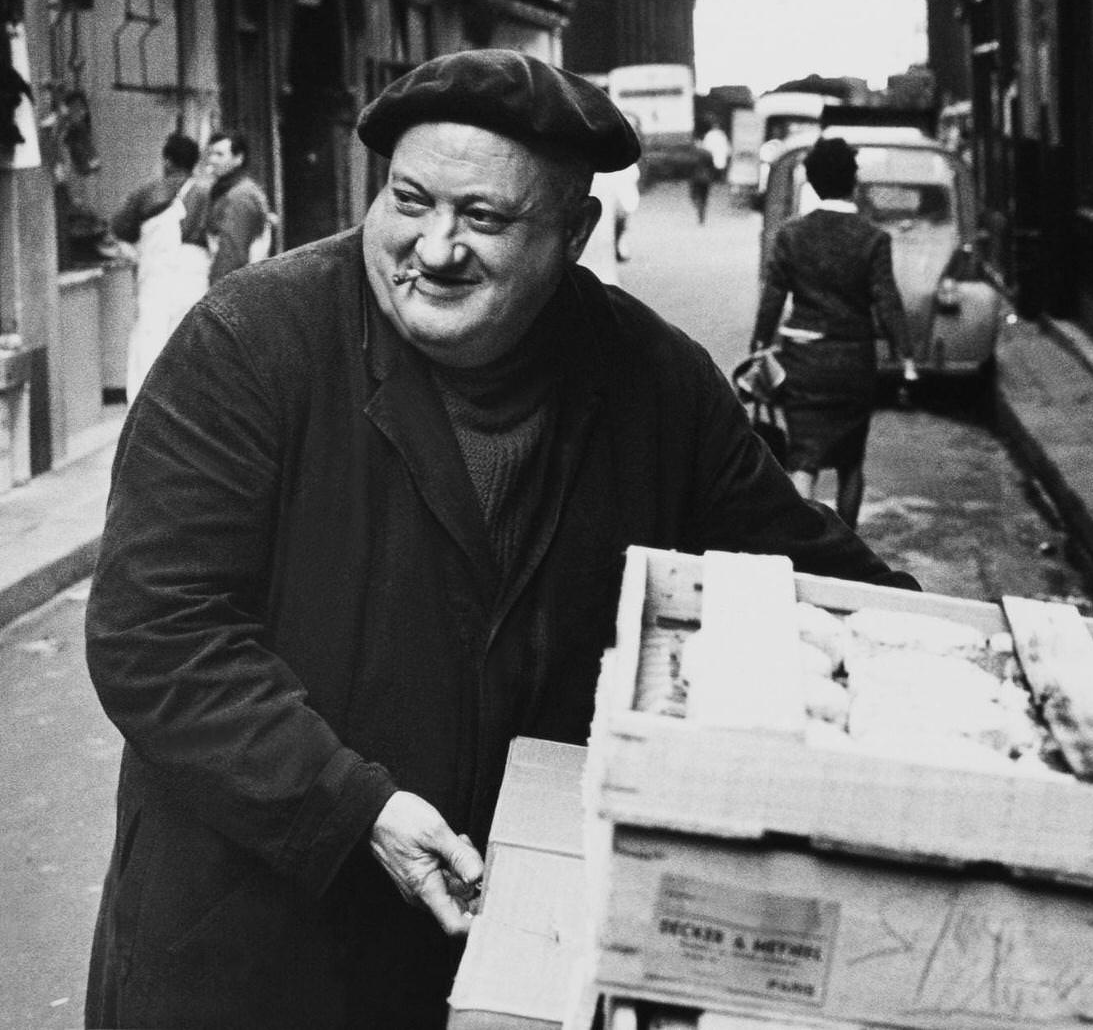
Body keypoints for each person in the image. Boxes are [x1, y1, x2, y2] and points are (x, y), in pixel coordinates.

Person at [85, 50, 917, 1030]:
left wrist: (989, 652)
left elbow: (804, 571)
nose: (434, 249)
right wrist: (352, 808)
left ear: (574, 233)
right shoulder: (251, 346)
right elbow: (157, 634)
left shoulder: (654, 383)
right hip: (254, 955)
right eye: (408, 201)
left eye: (483, 217)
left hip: (500, 960)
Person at [751, 134, 918, 531]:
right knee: (850, 461)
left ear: (811, 181)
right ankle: (846, 547)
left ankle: (801, 544)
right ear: (853, 181)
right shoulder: (873, 238)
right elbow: (886, 299)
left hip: (802, 361)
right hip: (853, 363)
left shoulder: (790, 235)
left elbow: (773, 298)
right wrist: (906, 357)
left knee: (802, 457)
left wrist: (759, 347)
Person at [110, 133, 211, 400]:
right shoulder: (207, 193)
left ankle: (147, 410)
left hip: (155, 275)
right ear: (195, 162)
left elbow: (120, 228)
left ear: (166, 161)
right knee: (190, 341)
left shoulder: (149, 192)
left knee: (149, 342)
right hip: (195, 275)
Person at [205, 129, 273, 280]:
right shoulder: (230, 190)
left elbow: (232, 252)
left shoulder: (241, 195)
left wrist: (218, 289)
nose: (212, 160)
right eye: (210, 154)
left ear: (238, 158)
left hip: (235, 282)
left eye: (219, 154)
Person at [687, 128, 721, 224]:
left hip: (695, 178)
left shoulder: (693, 153)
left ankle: (698, 204)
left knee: (694, 195)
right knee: (704, 197)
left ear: (697, 142)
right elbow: (712, 166)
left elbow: (689, 165)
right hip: (706, 178)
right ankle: (702, 216)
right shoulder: (708, 153)